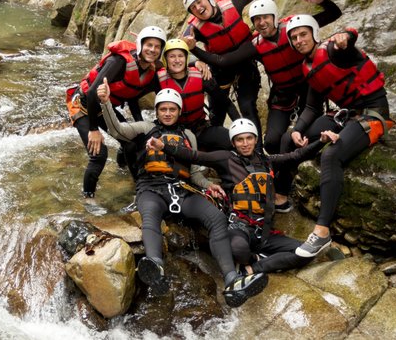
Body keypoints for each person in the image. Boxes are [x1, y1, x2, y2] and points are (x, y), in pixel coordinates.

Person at [97, 81, 268, 307]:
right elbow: (117, 130)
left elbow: (194, 172)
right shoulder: (145, 128)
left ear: (179, 111)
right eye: (163, 109)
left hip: (182, 191)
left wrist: (209, 185)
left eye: (172, 109)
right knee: (150, 214)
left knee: (216, 218)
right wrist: (106, 103)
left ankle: (231, 279)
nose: (167, 113)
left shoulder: (188, 135)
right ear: (157, 111)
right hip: (151, 188)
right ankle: (155, 265)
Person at [185, 0, 342, 211]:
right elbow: (224, 61)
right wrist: (196, 55)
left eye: (265, 17)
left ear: (275, 17)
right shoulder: (256, 45)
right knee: (270, 142)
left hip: (310, 93)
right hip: (283, 95)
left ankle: (281, 188)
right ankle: (272, 171)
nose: (261, 23)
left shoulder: (295, 30)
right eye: (256, 20)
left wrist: (321, 1)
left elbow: (334, 14)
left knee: (290, 139)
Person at [149, 118, 339, 275]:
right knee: (237, 249)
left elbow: (297, 155)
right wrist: (163, 146)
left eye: (249, 138)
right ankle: (258, 259)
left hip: (265, 231)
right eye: (240, 140)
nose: (245, 143)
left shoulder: (267, 161)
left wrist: (321, 142)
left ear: (255, 140)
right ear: (233, 143)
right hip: (240, 227)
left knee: (305, 251)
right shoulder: (225, 158)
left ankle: (253, 267)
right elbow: (194, 156)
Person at [282, 15, 394, 258]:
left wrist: (347, 36)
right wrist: (298, 130)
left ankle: (322, 231)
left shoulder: (335, 50)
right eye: (294, 38)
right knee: (288, 138)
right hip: (347, 113)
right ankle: (282, 198)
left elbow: (349, 39)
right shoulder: (308, 67)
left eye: (303, 34)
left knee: (331, 156)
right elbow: (311, 107)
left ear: (314, 34)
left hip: (373, 114)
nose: (299, 40)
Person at [181, 0, 281, 136]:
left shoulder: (233, 4)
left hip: (245, 61)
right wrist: (197, 60)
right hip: (220, 69)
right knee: (216, 115)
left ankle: (256, 148)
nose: (198, 8)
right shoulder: (194, 29)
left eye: (200, 2)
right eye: (193, 7)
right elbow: (180, 49)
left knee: (247, 106)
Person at [66, 26, 166, 200]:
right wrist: (94, 130)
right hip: (83, 105)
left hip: (105, 107)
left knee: (132, 142)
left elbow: (132, 95)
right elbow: (92, 93)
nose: (153, 50)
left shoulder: (150, 70)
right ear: (140, 45)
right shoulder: (119, 61)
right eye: (149, 45)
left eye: (157, 47)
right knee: (99, 154)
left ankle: (129, 176)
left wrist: (139, 125)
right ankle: (88, 199)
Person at [157, 38, 232, 151]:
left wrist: (241, 127)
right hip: (173, 130)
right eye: (172, 56)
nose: (177, 60)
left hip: (200, 128)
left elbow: (225, 102)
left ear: (186, 58)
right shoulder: (157, 79)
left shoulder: (202, 75)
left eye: (181, 56)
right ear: (165, 59)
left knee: (232, 140)